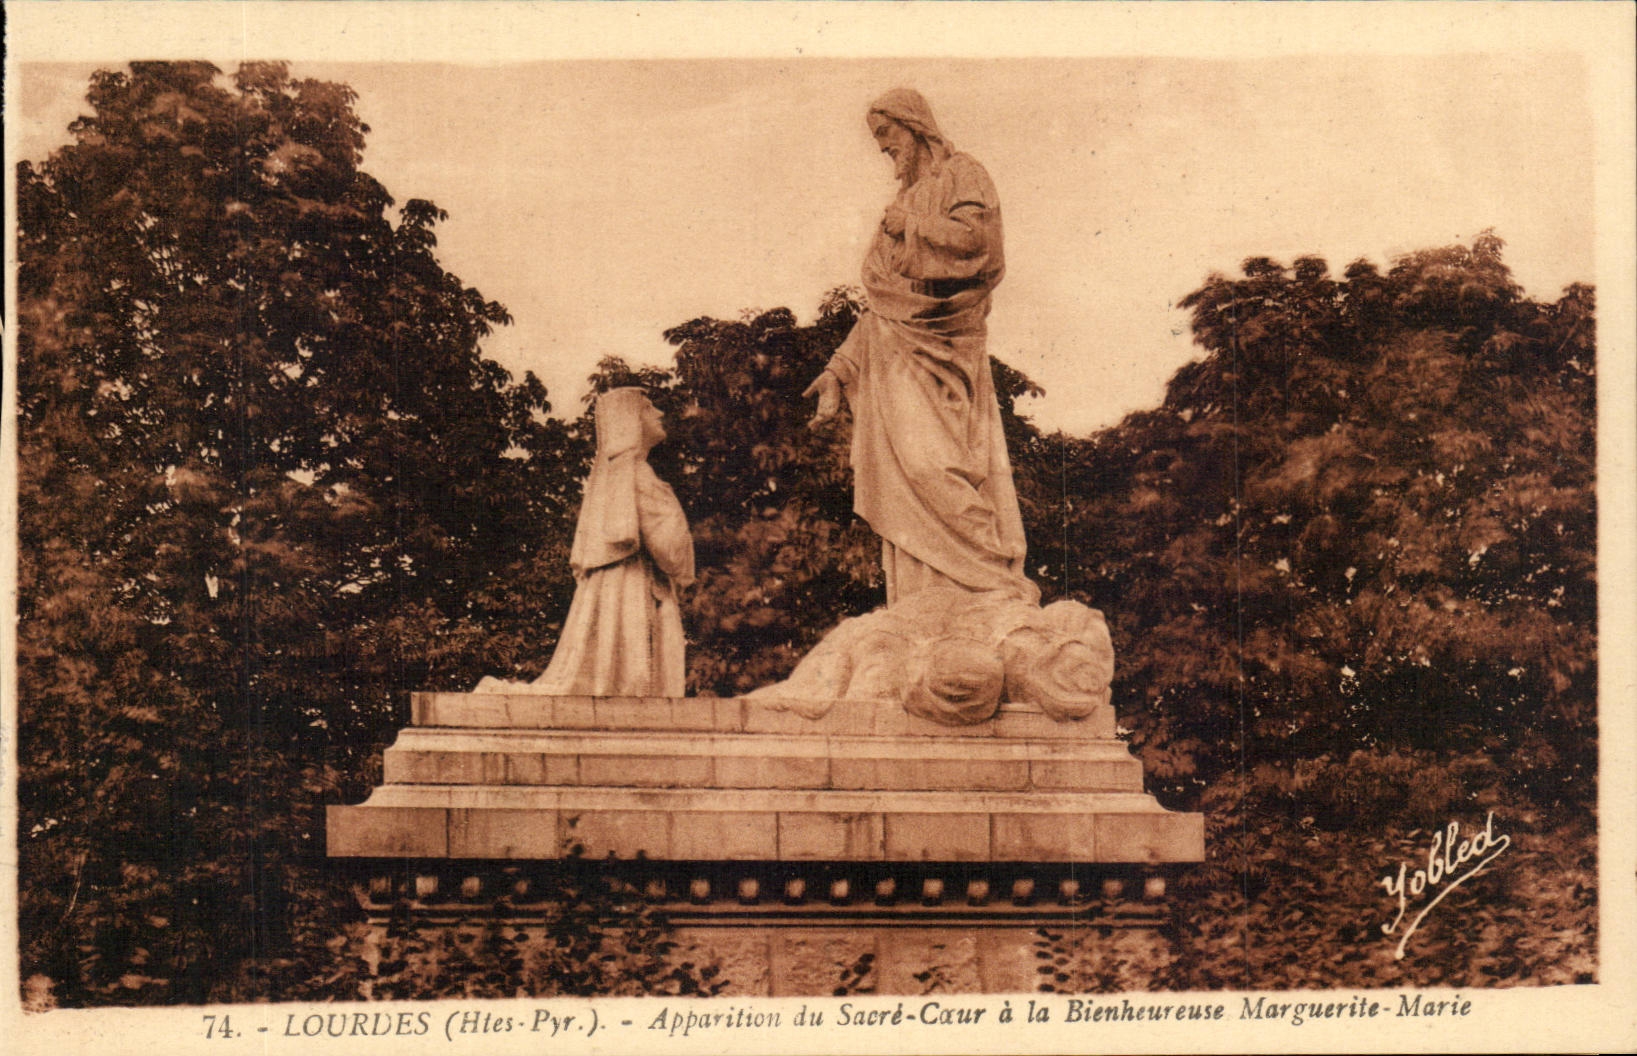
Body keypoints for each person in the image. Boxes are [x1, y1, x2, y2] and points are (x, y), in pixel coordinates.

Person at [805, 88, 1037, 606]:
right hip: (894, 355)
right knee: (907, 473)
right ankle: (928, 599)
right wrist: (839, 369)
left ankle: (989, 581)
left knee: (936, 467)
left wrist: (912, 226)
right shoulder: (904, 200)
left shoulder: (962, 173)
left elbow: (978, 244)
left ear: (915, 126)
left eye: (886, 132)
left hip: (946, 346)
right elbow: (883, 307)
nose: (882, 146)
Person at [528, 387, 695, 696]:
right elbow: (669, 549)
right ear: (631, 420)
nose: (659, 414)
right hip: (635, 583)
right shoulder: (637, 474)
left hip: (617, 584)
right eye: (648, 408)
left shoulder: (615, 475)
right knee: (635, 672)